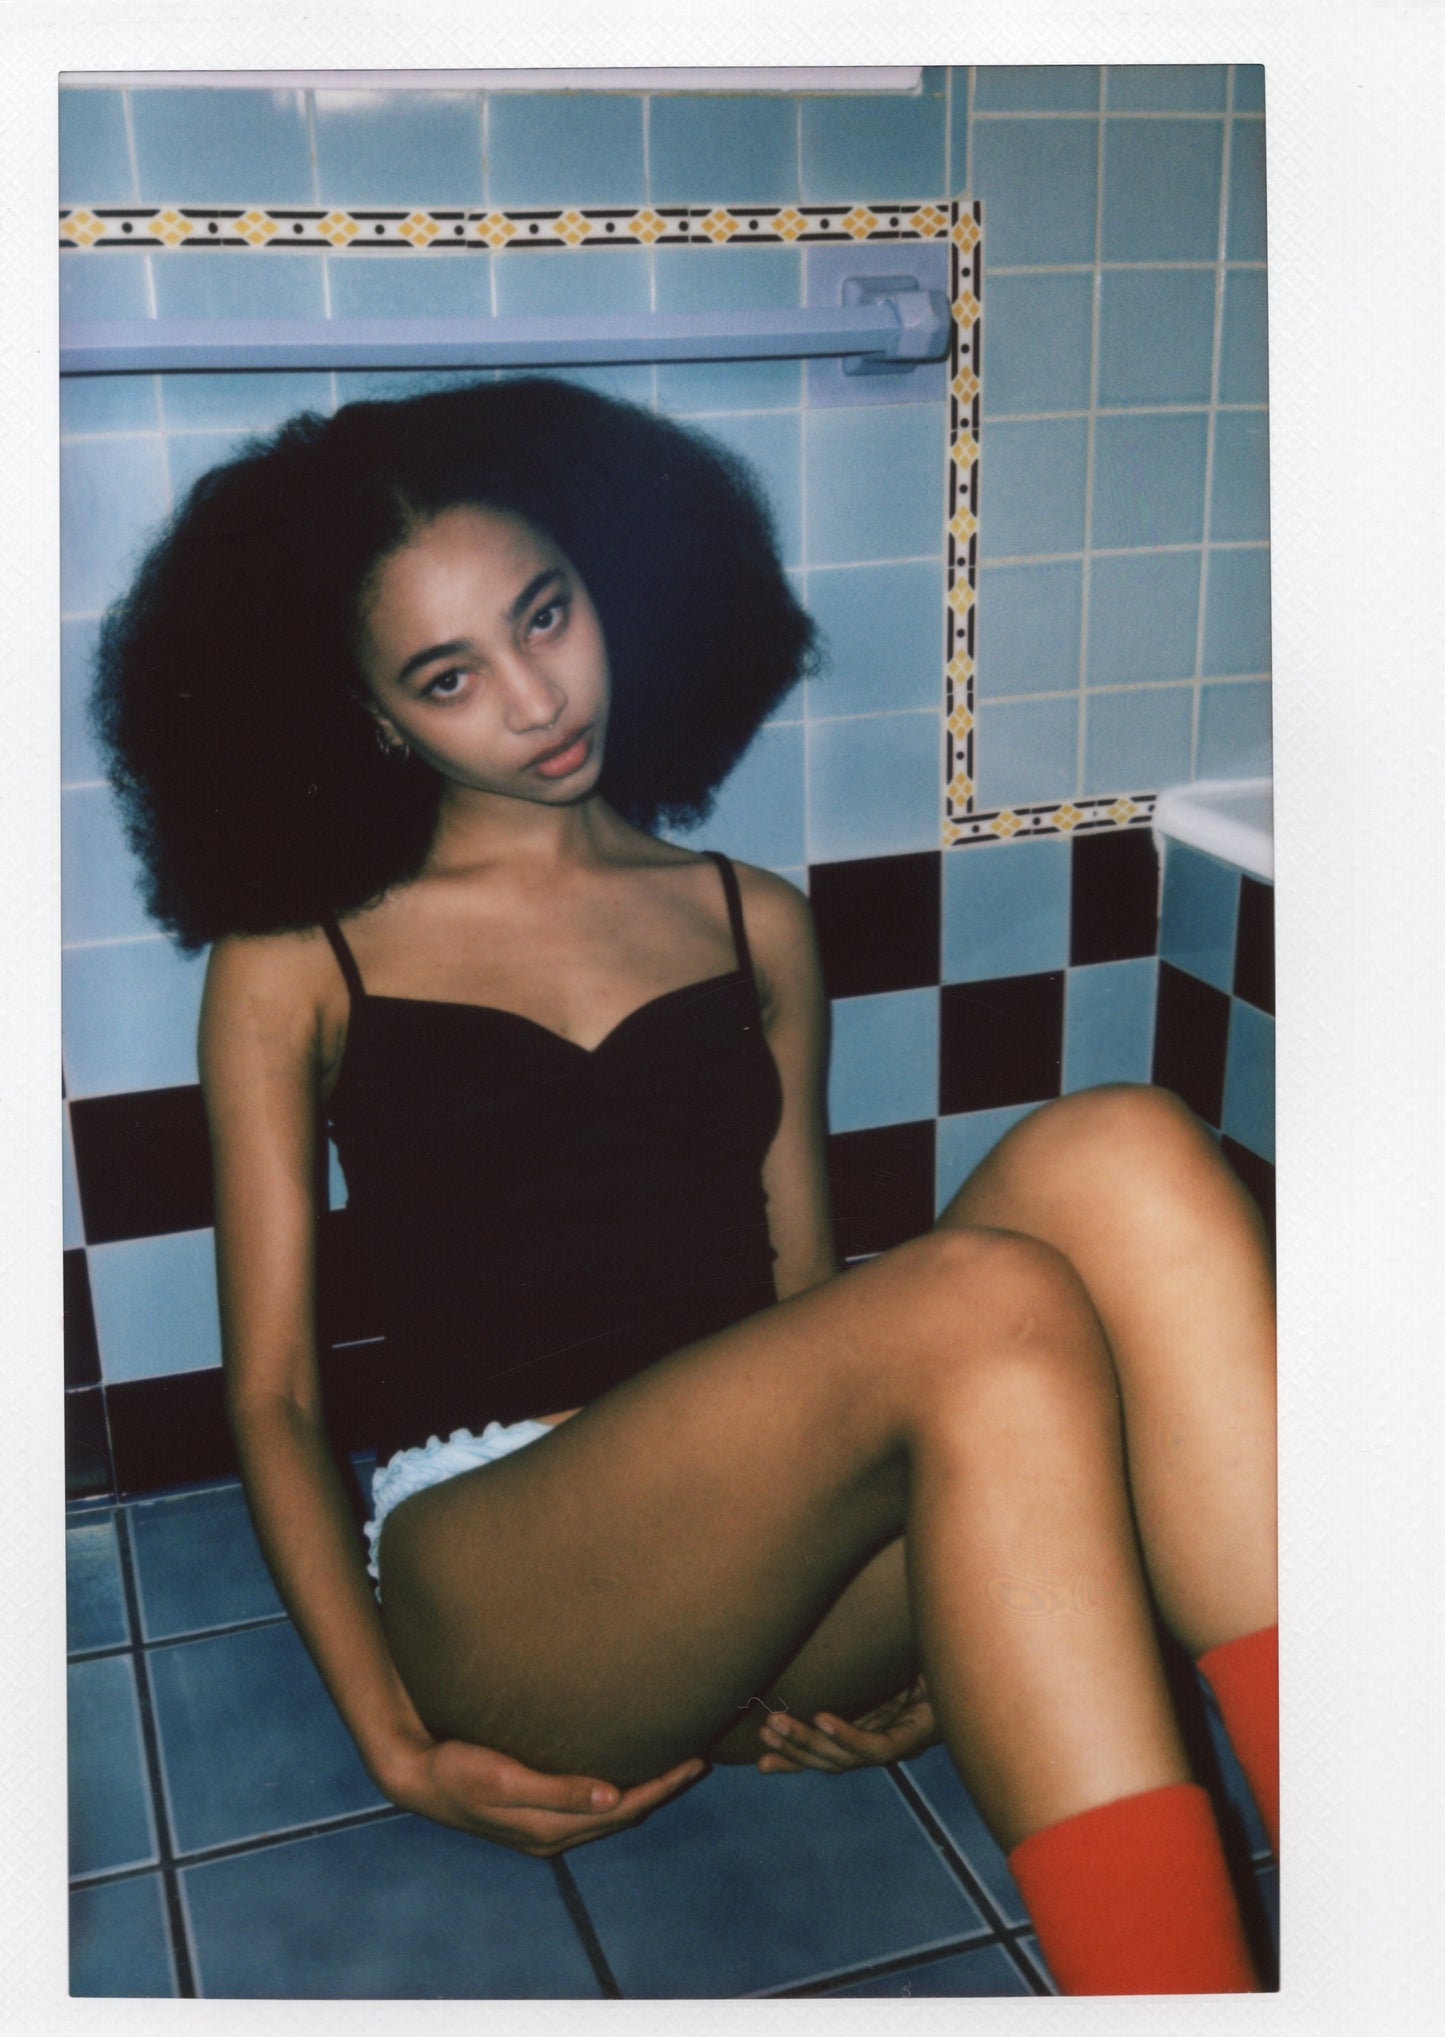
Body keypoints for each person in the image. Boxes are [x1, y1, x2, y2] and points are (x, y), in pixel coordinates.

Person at [91, 375, 1278, 1996]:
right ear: (373, 715)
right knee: (982, 1299)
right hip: (506, 1571)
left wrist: (986, 1611)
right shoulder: (299, 956)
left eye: (545, 614)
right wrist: (392, 1741)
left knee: (1127, 1144)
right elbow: (278, 1396)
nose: (534, 697)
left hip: (755, 1545)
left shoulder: (750, 916)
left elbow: (801, 1303)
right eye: (449, 675)